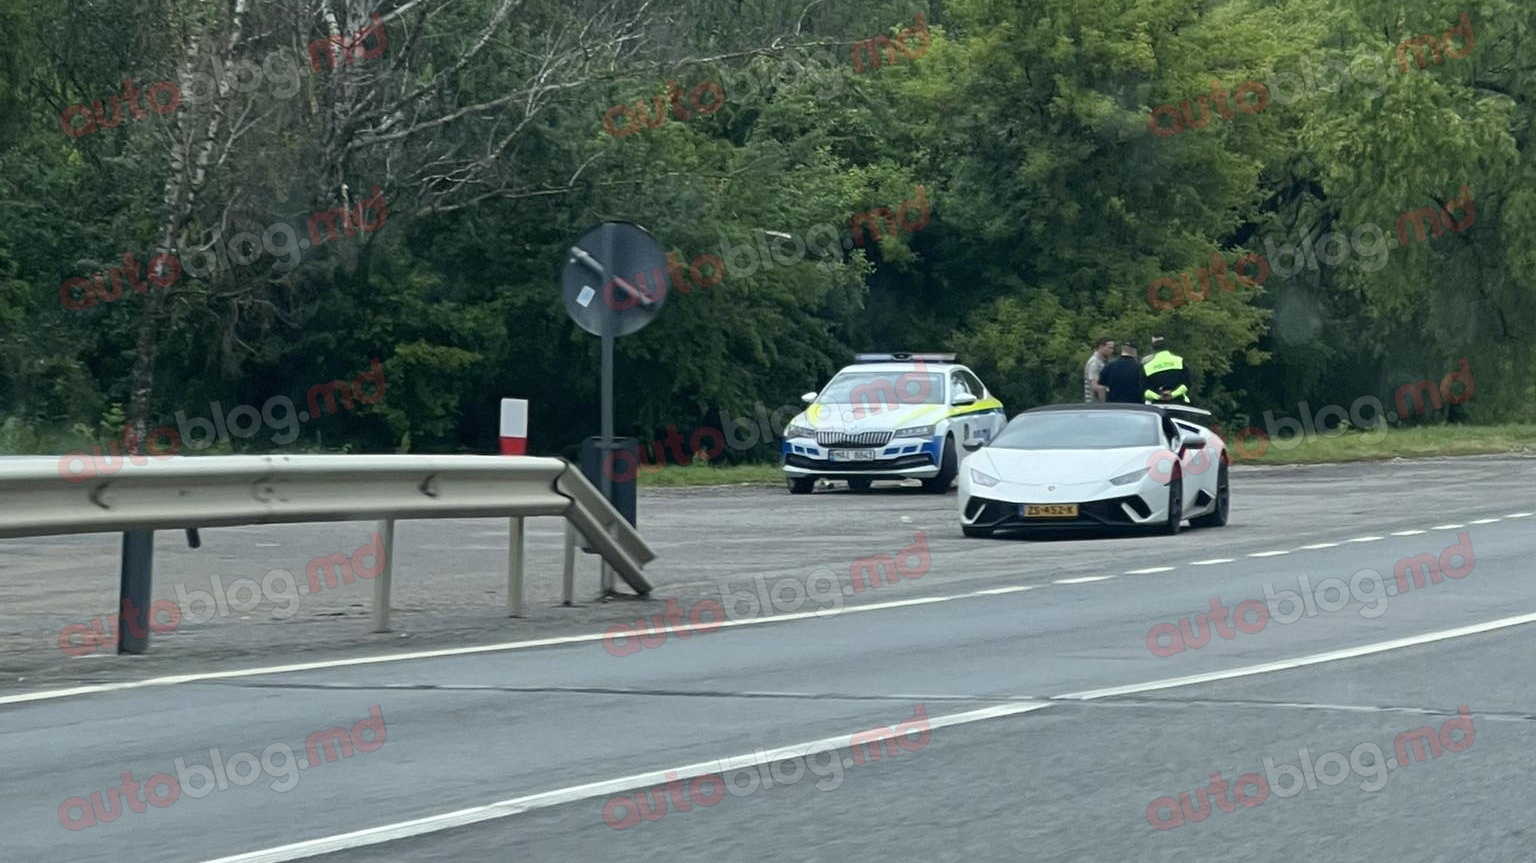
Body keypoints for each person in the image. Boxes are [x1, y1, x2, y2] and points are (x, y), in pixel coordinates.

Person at [1142, 335, 1192, 404]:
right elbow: (1187, 383)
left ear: (1153, 347)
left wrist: (1159, 396)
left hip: (1157, 405)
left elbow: (1144, 391)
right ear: (1166, 345)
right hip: (1179, 403)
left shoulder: (1147, 367)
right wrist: (1173, 394)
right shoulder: (1179, 361)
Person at [1083, 337, 1114, 402]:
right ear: (1101, 347)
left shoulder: (1101, 362)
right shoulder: (1094, 363)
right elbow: (1095, 386)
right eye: (1110, 348)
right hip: (1094, 405)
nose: (1112, 350)